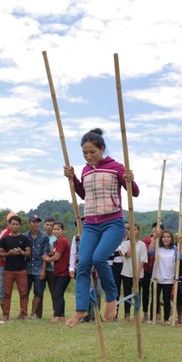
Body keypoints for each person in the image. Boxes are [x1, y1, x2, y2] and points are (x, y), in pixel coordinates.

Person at [63, 128, 139, 326]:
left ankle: (111, 298)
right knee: (84, 263)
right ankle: (81, 309)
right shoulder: (86, 170)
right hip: (90, 224)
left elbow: (135, 193)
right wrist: (73, 180)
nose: (88, 157)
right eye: (85, 153)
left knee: (99, 258)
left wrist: (130, 179)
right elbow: (82, 194)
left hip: (112, 223)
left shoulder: (116, 167)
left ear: (102, 149)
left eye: (92, 152)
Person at [0, 215, 31, 323]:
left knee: (23, 293)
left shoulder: (24, 239)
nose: (15, 226)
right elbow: (0, 255)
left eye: (17, 224)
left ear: (20, 226)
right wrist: (9, 253)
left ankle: (24, 314)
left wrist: (21, 252)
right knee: (7, 293)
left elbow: (29, 253)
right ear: (9, 225)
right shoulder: (5, 239)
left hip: (21, 269)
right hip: (8, 270)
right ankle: (5, 315)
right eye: (13, 224)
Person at [148, 228, 182, 325]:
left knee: (167, 299)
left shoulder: (174, 249)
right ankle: (152, 318)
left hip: (168, 278)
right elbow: (150, 252)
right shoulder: (158, 248)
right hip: (156, 277)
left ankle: (166, 319)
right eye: (164, 237)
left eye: (168, 237)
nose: (166, 239)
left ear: (171, 238)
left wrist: (181, 244)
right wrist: (154, 239)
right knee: (154, 299)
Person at [24, 214, 51, 319]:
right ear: (29, 223)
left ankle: (33, 314)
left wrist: (43, 270)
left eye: (37, 222)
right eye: (34, 222)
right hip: (27, 268)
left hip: (39, 268)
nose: (36, 224)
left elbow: (45, 254)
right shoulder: (24, 236)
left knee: (38, 292)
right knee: (25, 291)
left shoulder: (44, 237)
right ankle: (24, 313)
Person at [44, 221, 70, 322]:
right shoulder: (56, 242)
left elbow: (56, 256)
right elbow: (54, 252)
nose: (56, 231)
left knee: (58, 293)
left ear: (62, 231)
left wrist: (46, 259)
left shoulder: (63, 241)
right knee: (59, 294)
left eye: (58, 229)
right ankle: (61, 316)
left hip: (64, 271)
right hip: (58, 271)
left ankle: (57, 316)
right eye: (54, 229)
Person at [120, 223, 147, 323]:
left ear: (138, 231)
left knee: (136, 294)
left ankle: (136, 316)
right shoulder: (124, 244)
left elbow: (142, 260)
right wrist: (132, 242)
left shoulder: (142, 245)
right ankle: (127, 315)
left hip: (138, 274)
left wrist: (137, 274)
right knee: (127, 294)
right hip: (126, 273)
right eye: (131, 230)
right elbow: (128, 254)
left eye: (135, 230)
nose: (133, 231)